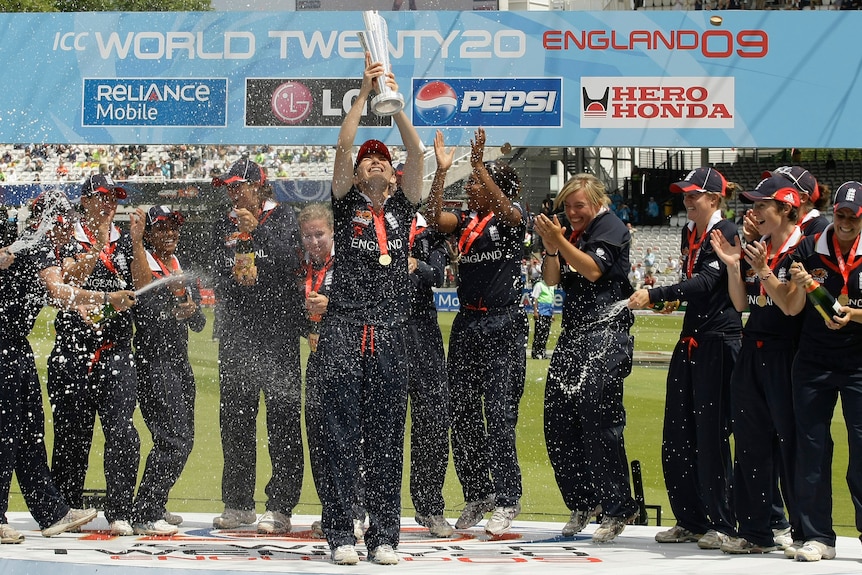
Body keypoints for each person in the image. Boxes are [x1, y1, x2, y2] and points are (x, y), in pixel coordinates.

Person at [316, 51, 425, 566]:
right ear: (357, 175)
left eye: (383, 157)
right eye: (368, 159)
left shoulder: (404, 205)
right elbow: (342, 142)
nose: (376, 160)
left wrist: (395, 103)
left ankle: (384, 535)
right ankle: (339, 533)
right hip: (342, 328)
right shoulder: (345, 204)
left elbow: (418, 152)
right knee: (339, 433)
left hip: (391, 332)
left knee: (385, 437)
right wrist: (364, 92)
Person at [0, 190, 134, 543]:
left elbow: (58, 295)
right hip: (4, 349)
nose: (68, 232)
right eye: (65, 224)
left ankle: (52, 512)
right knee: (6, 433)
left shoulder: (32, 246)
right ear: (52, 222)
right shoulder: (40, 244)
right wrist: (106, 298)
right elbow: (58, 290)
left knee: (30, 433)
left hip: (16, 347)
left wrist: (85, 306)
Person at [628, 167, 742, 550]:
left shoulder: (725, 232)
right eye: (685, 195)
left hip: (718, 341)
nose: (687, 200)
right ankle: (690, 519)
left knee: (711, 436)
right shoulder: (688, 232)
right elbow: (697, 285)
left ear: (714, 198)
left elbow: (709, 283)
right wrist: (675, 298)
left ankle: (724, 522)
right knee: (677, 434)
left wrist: (658, 293)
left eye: (694, 195)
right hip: (691, 337)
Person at [426, 128, 529, 537]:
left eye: (474, 184)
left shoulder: (510, 220)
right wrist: (440, 173)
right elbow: (436, 216)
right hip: (467, 324)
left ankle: (508, 497)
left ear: (493, 188)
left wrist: (482, 165)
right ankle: (478, 493)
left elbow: (512, 213)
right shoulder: (466, 221)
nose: (468, 188)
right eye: (469, 182)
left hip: (503, 323)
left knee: (500, 415)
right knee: (464, 412)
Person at [533, 173, 639, 543]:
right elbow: (550, 281)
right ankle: (583, 502)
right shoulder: (570, 235)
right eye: (567, 206)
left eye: (579, 205)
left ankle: (617, 508)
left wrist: (558, 239)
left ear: (596, 202)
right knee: (557, 421)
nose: (573, 212)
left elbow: (593, 271)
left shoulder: (610, 226)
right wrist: (551, 247)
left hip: (606, 333)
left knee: (599, 420)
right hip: (574, 335)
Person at [709, 176, 805, 554]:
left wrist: (763, 269)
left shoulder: (804, 248)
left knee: (791, 445)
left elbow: (789, 306)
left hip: (787, 353)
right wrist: (734, 266)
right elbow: (741, 305)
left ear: (784, 208)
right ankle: (755, 532)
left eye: (763, 205)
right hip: (753, 348)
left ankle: (803, 530)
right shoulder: (759, 247)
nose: (754, 212)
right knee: (749, 444)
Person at [209, 158, 305, 535]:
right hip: (236, 337)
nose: (234, 194)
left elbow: (292, 266)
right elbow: (216, 270)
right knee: (235, 424)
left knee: (282, 424)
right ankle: (237, 504)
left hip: (277, 337)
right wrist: (232, 273)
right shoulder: (223, 223)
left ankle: (280, 507)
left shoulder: (284, 218)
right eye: (230, 188)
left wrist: (257, 235)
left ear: (260, 186)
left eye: (239, 187)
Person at [47, 174, 144, 536]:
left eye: (114, 198)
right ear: (85, 200)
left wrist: (134, 243)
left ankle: (120, 509)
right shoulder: (67, 236)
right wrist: (97, 246)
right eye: (102, 197)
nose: (109, 204)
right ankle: (67, 507)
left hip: (116, 351)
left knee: (121, 432)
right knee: (72, 433)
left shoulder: (124, 241)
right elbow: (64, 284)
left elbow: (141, 284)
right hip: (73, 351)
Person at [784, 181, 862, 562]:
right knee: (812, 447)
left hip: (859, 363)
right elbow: (793, 307)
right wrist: (802, 286)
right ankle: (818, 537)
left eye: (853, 216)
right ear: (832, 210)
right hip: (813, 359)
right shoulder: (809, 243)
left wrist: (854, 315)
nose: (845, 222)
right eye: (841, 214)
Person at [129, 206, 206, 536]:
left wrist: (190, 310)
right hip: (154, 363)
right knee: (173, 439)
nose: (170, 233)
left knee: (182, 439)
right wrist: (173, 311)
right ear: (148, 234)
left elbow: (200, 323)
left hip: (179, 363)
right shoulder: (142, 262)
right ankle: (144, 511)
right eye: (161, 228)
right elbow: (143, 309)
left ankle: (154, 503)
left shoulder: (179, 266)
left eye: (174, 227)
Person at [299, 203, 366, 540]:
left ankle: (354, 512)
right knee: (320, 438)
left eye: (319, 234)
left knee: (347, 438)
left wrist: (333, 306)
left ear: (333, 232)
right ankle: (332, 512)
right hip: (318, 360)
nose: (314, 241)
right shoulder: (304, 266)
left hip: (349, 359)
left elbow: (369, 302)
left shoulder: (351, 261)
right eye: (308, 235)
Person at [530, 272, 555, 360]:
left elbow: (551, 300)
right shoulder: (539, 285)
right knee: (539, 332)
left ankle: (542, 351)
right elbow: (535, 299)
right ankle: (535, 352)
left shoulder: (551, 286)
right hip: (541, 311)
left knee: (546, 333)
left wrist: (553, 313)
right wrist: (535, 311)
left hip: (548, 311)